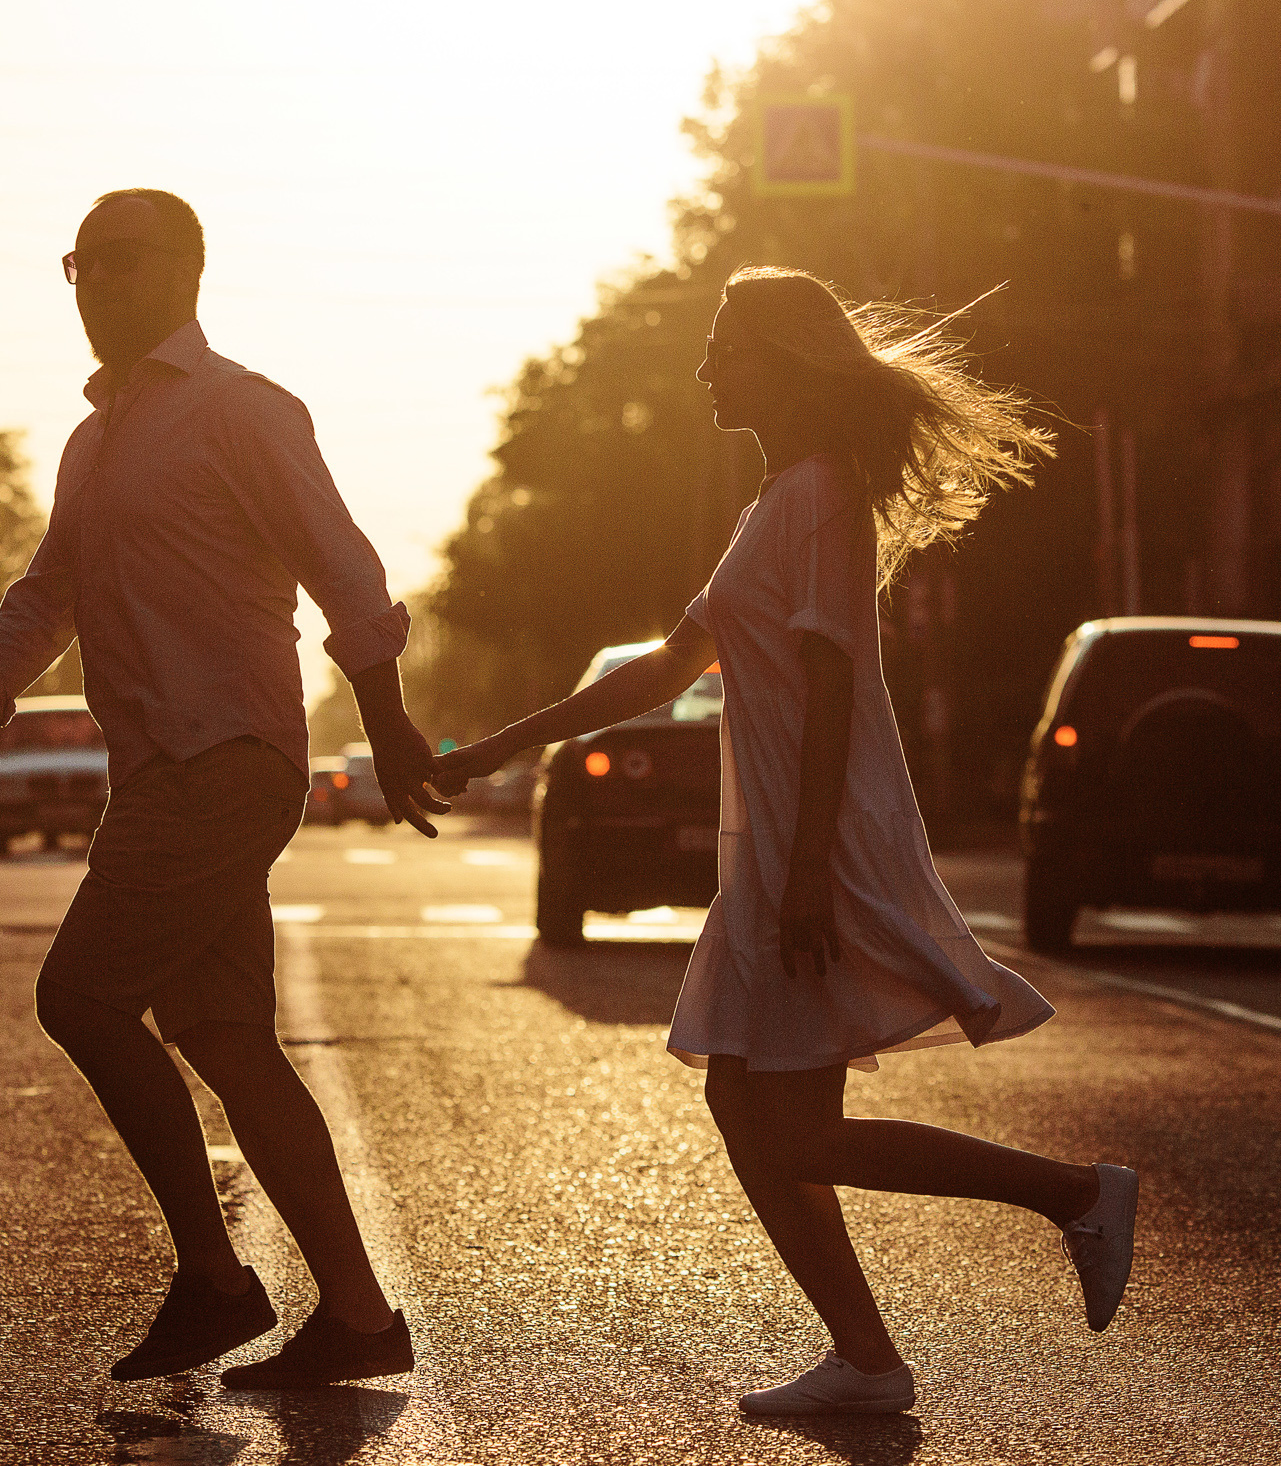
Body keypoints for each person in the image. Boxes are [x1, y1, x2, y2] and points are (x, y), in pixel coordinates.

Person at [432, 266, 1137, 1418]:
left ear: (785, 361)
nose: (707, 367)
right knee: (741, 1101)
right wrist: (490, 750)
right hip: (777, 849)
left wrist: (807, 870)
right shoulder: (778, 504)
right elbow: (665, 670)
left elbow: (827, 685)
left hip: (816, 842)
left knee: (796, 1129)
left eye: (727, 345)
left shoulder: (817, 495)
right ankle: (865, 1353)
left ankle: (1071, 1196)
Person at [0, 188, 447, 1389]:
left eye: (121, 262)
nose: (96, 286)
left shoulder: (241, 412)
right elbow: (41, 600)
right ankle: (363, 1320)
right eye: (79, 265)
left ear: (187, 271)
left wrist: (386, 734)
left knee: (81, 999)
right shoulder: (96, 438)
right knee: (224, 1037)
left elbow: (344, 566)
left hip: (226, 759)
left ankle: (216, 1282)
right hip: (162, 768)